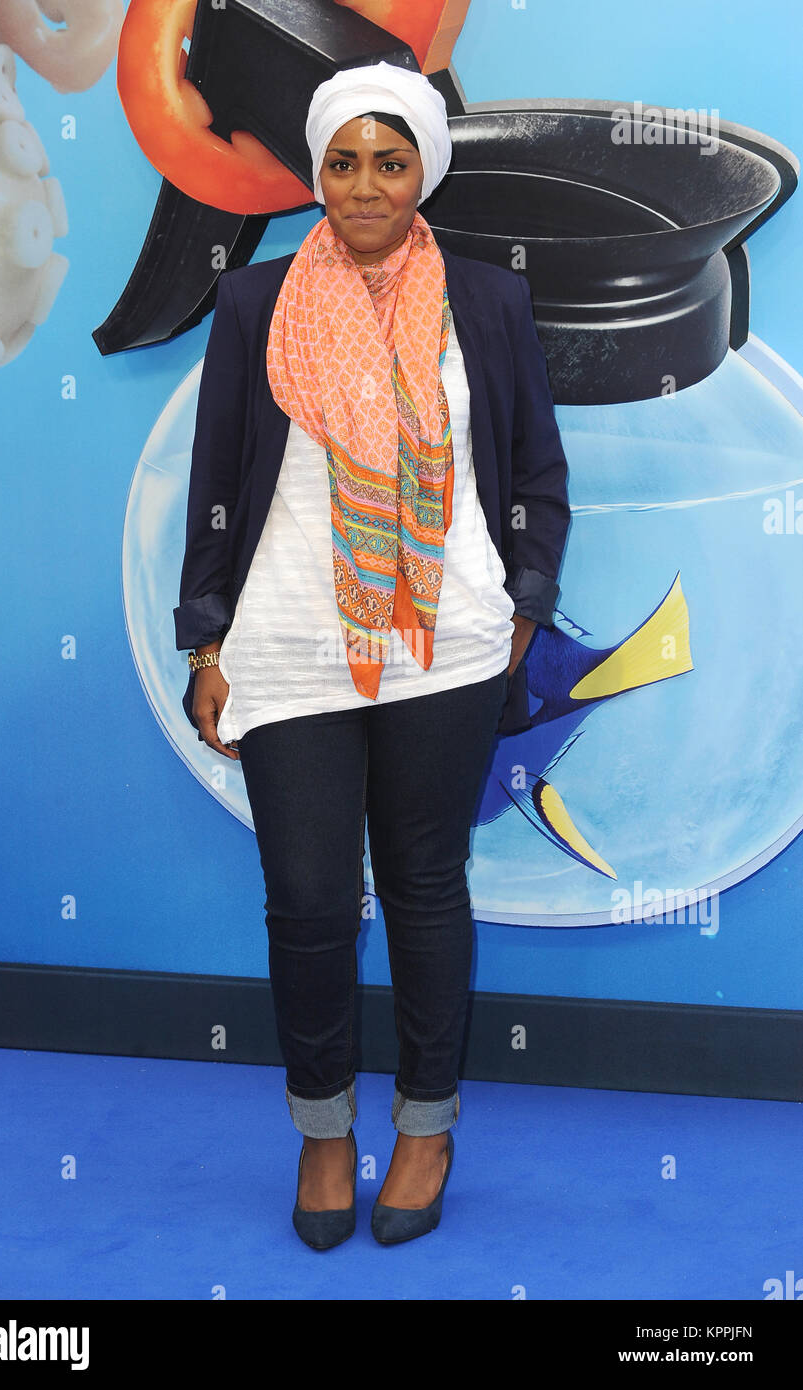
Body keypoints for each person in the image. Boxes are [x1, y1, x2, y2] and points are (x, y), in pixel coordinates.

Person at [173, 61, 571, 1249]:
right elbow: (216, 493)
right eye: (342, 162)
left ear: (423, 173)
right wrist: (205, 636)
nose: (362, 186)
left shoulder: (487, 305)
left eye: (388, 162)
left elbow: (537, 479)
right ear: (315, 172)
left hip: (444, 645)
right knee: (304, 900)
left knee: (423, 885)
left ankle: (429, 1122)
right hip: (289, 640)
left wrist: (523, 607)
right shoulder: (252, 305)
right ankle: (324, 1129)